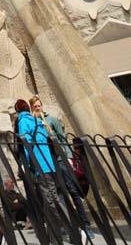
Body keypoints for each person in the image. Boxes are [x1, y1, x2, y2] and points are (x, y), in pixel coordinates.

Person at [30, 96, 92, 238]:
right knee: (58, 195)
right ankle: (70, 227)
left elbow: (62, 138)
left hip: (60, 160)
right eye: (35, 106)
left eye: (39, 105)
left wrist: (69, 157)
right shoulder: (33, 123)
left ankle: (85, 224)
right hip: (48, 163)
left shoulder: (51, 120)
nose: (38, 108)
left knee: (73, 191)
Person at [15, 99, 73, 241]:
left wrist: (25, 164)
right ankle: (53, 235)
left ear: (17, 111)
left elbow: (26, 143)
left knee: (51, 199)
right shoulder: (37, 121)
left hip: (40, 165)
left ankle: (72, 230)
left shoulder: (23, 121)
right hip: (49, 164)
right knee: (49, 199)